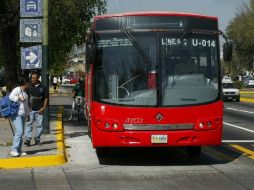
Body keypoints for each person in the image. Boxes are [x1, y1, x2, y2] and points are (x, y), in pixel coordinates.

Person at [24, 72, 49, 146]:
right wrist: (28, 107)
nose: (32, 80)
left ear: (38, 78)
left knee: (39, 126)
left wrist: (43, 108)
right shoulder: (29, 86)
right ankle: (28, 140)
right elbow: (26, 97)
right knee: (28, 125)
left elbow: (46, 98)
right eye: (32, 78)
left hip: (39, 110)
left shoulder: (43, 87)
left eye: (34, 78)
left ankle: (37, 139)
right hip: (30, 110)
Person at [9, 78, 29, 157]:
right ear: (25, 83)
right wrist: (18, 98)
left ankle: (18, 150)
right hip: (16, 113)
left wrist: (27, 114)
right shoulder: (17, 89)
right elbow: (10, 97)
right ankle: (14, 149)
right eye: (28, 83)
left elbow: (26, 105)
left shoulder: (24, 91)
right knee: (19, 131)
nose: (28, 85)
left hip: (23, 113)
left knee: (21, 132)